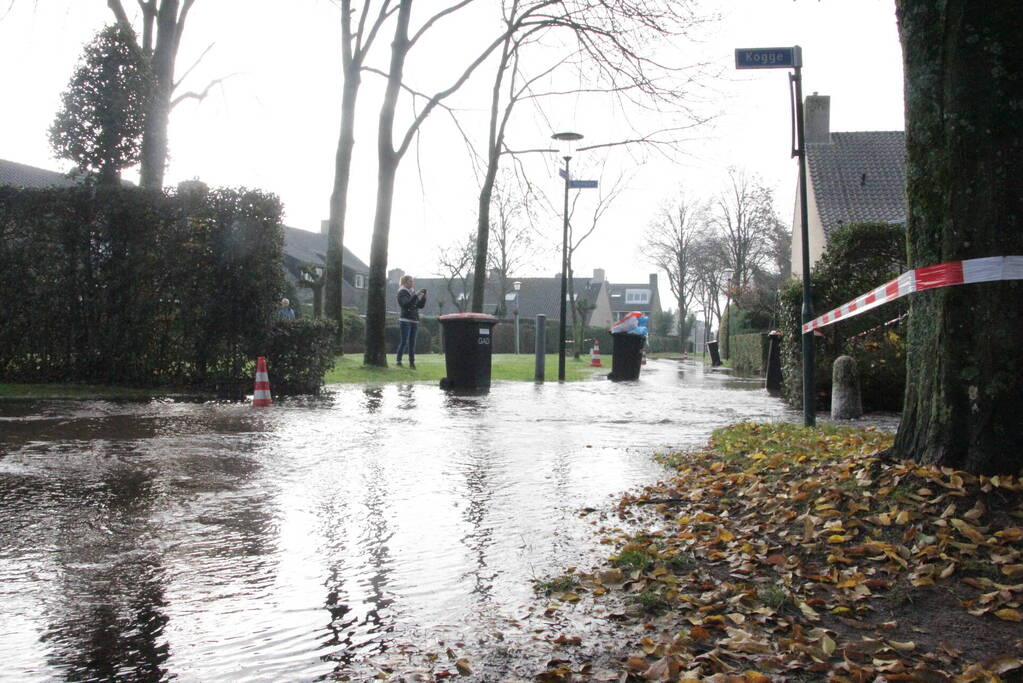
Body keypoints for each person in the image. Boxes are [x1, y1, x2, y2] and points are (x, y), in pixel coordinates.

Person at [396, 275, 426, 368]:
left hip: (414, 320)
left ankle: (412, 362)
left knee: (412, 342)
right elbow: (406, 304)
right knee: (404, 341)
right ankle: (399, 360)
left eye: (412, 281)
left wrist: (424, 297)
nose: (412, 283)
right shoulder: (402, 292)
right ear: (405, 283)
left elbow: (420, 306)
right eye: (410, 281)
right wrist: (416, 295)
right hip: (405, 320)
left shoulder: (412, 292)